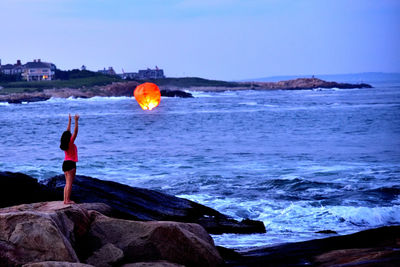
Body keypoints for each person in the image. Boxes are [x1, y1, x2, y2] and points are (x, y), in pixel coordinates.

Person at [60, 114, 79, 204]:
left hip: (65, 164)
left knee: (66, 183)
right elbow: (75, 132)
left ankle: (65, 200)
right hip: (71, 164)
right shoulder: (70, 142)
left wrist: (70, 120)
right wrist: (76, 121)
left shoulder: (65, 143)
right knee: (69, 184)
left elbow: (68, 131)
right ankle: (67, 200)